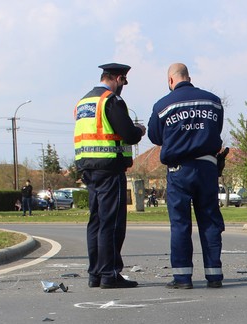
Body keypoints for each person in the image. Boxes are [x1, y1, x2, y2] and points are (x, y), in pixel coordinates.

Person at [148, 62, 226, 289]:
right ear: (188, 77)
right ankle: (214, 276)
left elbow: (155, 136)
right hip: (207, 168)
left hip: (179, 170)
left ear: (170, 81)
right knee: (210, 221)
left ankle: (182, 278)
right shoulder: (213, 101)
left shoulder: (163, 105)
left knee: (181, 224)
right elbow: (216, 129)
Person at [74, 62, 146, 289]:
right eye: (123, 81)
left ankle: (95, 273)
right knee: (111, 222)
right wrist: (139, 131)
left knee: (95, 221)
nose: (124, 86)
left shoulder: (84, 101)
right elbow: (128, 134)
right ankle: (110, 274)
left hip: (88, 168)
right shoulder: (111, 101)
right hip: (109, 168)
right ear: (116, 78)